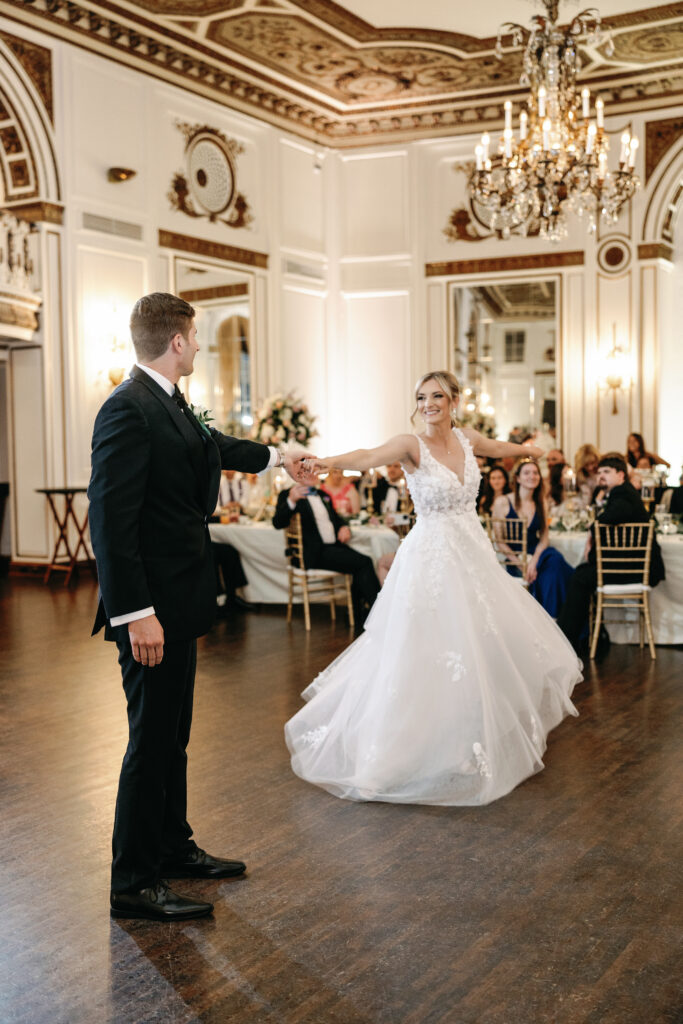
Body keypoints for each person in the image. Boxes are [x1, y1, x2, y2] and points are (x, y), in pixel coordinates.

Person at [88, 292, 310, 922]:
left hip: (181, 600)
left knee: (173, 737)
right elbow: (108, 521)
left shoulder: (167, 402)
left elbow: (211, 445)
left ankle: (173, 848)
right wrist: (136, 614)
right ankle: (133, 880)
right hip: (150, 611)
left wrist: (279, 458)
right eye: (195, 335)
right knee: (148, 742)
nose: (198, 345)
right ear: (178, 341)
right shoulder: (126, 409)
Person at [285, 370, 581, 806]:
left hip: (473, 553)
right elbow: (368, 455)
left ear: (454, 400)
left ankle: (465, 740)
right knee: (425, 648)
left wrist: (528, 449)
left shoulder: (467, 438)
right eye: (422, 397)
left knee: (477, 645)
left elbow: (498, 448)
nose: (428, 404)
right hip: (432, 557)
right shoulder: (411, 444)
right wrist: (327, 463)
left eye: (437, 396)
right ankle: (403, 749)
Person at [557, 454, 666, 654]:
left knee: (580, 577)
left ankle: (567, 640)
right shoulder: (621, 493)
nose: (601, 476)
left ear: (621, 475)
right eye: (599, 472)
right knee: (582, 573)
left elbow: (615, 513)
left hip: (633, 568)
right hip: (631, 566)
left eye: (606, 472)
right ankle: (582, 636)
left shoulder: (622, 494)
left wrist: (593, 527)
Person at [273, 477, 380, 626]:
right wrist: (291, 500)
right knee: (364, 563)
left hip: (332, 548)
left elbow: (336, 519)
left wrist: (344, 527)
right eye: (311, 470)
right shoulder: (288, 494)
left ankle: (359, 614)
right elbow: (278, 523)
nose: (316, 473)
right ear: (300, 474)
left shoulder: (323, 495)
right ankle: (378, 613)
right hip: (312, 553)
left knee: (361, 563)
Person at [492, 459, 573, 618]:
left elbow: (544, 537)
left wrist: (533, 562)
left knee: (555, 565)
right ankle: (553, 619)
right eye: (527, 473)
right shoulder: (502, 502)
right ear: (518, 478)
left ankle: (553, 619)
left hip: (539, 553)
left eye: (535, 473)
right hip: (514, 557)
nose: (532, 476)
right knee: (556, 573)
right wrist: (521, 564)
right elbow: (499, 541)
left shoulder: (541, 501)